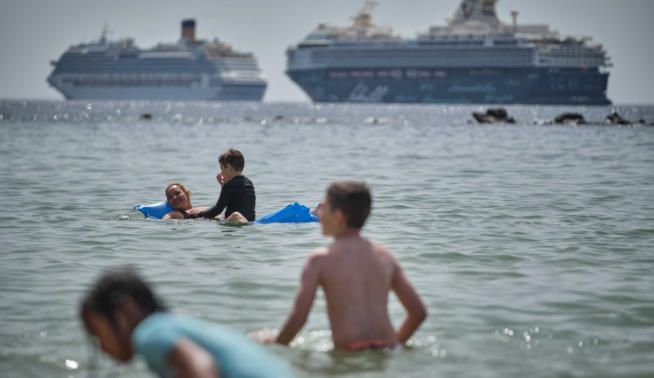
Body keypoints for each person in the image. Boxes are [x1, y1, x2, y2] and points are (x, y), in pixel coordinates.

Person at [268, 181, 427, 351]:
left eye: (325, 208)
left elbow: (298, 318)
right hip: (388, 348)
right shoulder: (385, 256)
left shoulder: (320, 260)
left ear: (338, 217)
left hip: (351, 351)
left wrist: (276, 346)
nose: (320, 213)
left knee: (261, 339)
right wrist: (396, 344)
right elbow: (418, 312)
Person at [80, 268, 293, 378]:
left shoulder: (148, 332)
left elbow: (200, 365)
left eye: (97, 333)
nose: (102, 348)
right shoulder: (173, 325)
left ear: (124, 310)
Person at [187, 149, 255, 224]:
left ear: (228, 167)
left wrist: (199, 214)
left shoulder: (229, 185)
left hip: (235, 221)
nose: (221, 173)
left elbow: (217, 210)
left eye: (222, 169)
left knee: (199, 216)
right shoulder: (249, 182)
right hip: (250, 220)